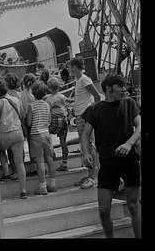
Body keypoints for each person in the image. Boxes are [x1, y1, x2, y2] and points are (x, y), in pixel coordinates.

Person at [81, 74, 141, 238]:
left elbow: (140, 126)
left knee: (133, 205)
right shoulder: (94, 109)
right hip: (107, 162)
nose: (124, 89)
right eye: (120, 86)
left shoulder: (129, 103)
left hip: (130, 159)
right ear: (109, 89)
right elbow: (86, 134)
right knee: (103, 209)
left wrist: (129, 143)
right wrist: (86, 153)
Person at [0, 77, 28, 199]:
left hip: (5, 133)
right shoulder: (16, 100)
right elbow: (23, 115)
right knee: (20, 162)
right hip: (18, 132)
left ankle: (5, 171)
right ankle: (23, 190)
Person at [68, 57, 101, 189]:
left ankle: (93, 176)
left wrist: (93, 113)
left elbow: (97, 96)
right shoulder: (79, 80)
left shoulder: (84, 79)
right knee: (85, 145)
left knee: (88, 144)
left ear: (75, 67)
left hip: (85, 115)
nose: (69, 69)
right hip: (81, 115)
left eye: (70, 67)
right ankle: (90, 174)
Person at [27, 81, 57, 195]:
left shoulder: (31, 105)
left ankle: (42, 186)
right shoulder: (46, 104)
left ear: (33, 93)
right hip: (46, 134)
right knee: (50, 159)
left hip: (36, 135)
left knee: (40, 161)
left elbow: (29, 122)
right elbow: (49, 121)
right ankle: (52, 184)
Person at [46, 77, 74, 171]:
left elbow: (48, 112)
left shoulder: (48, 99)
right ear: (59, 87)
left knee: (46, 135)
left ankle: (52, 151)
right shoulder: (62, 96)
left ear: (48, 88)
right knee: (63, 143)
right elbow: (68, 101)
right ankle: (64, 162)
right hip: (63, 121)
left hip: (54, 121)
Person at [4, 73, 22, 180]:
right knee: (20, 151)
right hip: (18, 125)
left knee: (10, 151)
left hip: (8, 126)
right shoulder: (19, 95)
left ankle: (14, 170)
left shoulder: (5, 95)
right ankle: (20, 170)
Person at [20, 73, 37, 176]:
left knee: (30, 143)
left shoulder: (21, 94)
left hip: (24, 119)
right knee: (34, 143)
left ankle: (33, 166)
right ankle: (36, 166)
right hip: (33, 118)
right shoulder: (32, 94)